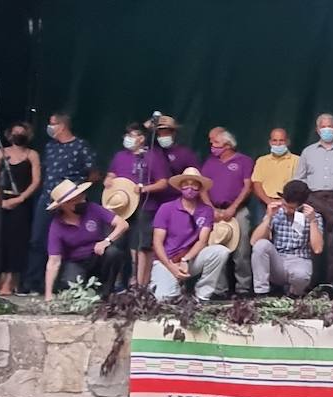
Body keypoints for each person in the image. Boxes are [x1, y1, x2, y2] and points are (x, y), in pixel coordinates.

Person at [27, 112, 98, 294]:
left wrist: (79, 191)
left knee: (67, 239)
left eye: (52, 124)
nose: (50, 128)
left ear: (62, 126)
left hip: (70, 200)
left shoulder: (81, 146)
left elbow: (94, 173)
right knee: (38, 239)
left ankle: (64, 283)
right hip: (48, 198)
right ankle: (34, 283)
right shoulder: (50, 147)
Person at [105, 122, 172, 290]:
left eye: (132, 135)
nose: (127, 139)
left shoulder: (153, 156)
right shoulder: (120, 156)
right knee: (116, 243)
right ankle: (116, 282)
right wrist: (108, 179)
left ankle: (141, 283)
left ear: (142, 138)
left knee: (142, 246)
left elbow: (164, 182)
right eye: (126, 135)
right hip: (121, 207)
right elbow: (112, 173)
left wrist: (144, 188)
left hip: (145, 206)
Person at [293, 114, 333, 291]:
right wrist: (299, 203)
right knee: (313, 240)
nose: (326, 130)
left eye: (330, 126)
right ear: (317, 129)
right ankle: (312, 285)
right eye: (323, 127)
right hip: (313, 199)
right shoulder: (308, 152)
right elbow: (299, 179)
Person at [42, 179, 128, 302]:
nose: (82, 201)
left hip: (97, 255)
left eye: (81, 197)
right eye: (76, 200)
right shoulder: (57, 226)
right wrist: (48, 294)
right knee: (71, 288)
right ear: (65, 205)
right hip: (75, 262)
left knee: (113, 253)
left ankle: (107, 293)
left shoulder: (93, 208)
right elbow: (53, 261)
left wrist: (107, 241)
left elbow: (122, 224)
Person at [151, 167, 229, 301]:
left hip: (190, 259)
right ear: (180, 186)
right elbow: (157, 243)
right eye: (186, 184)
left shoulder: (206, 211)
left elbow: (202, 241)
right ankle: (164, 285)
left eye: (194, 184)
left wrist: (185, 259)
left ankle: (202, 295)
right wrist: (171, 267)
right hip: (167, 260)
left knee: (220, 251)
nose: (190, 188)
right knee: (165, 298)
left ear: (200, 188)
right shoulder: (166, 208)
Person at [0, 121, 40, 296]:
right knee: (1, 239)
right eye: (15, 132)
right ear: (9, 135)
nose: (18, 135)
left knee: (17, 242)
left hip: (21, 203)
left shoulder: (32, 155)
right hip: (1, 201)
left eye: (21, 132)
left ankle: (12, 280)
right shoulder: (0, 153)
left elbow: (36, 181)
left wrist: (21, 198)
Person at [202, 127, 255, 295]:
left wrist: (234, 207)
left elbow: (248, 186)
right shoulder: (209, 163)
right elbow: (202, 187)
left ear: (227, 145)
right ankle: (219, 290)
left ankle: (243, 288)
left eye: (216, 142)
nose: (212, 146)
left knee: (242, 251)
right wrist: (211, 209)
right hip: (215, 211)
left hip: (237, 211)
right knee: (217, 250)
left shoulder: (244, 161)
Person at [250, 179, 324, 296]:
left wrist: (312, 221)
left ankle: (294, 295)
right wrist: (269, 217)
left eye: (291, 208)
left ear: (301, 205)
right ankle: (261, 293)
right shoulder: (276, 212)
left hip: (299, 260)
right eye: (285, 205)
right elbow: (254, 241)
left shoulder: (313, 216)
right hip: (277, 260)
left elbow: (318, 249)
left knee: (302, 276)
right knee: (261, 245)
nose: (286, 210)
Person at [252, 128, 299, 216]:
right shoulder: (262, 161)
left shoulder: (297, 160)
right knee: (262, 229)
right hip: (264, 205)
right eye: (275, 140)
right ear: (270, 142)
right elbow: (257, 184)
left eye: (281, 140)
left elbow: (298, 185)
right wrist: (269, 202)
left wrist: (284, 202)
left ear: (287, 142)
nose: (278, 144)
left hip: (288, 205)